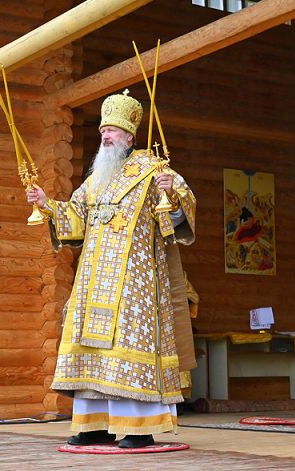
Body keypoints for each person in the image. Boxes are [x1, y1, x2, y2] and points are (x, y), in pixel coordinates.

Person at [26, 90, 196, 449]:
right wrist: (47, 205)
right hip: (93, 281)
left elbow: (175, 219)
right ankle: (93, 426)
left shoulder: (152, 171)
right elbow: (77, 217)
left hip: (134, 282)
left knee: (127, 349)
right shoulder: (97, 178)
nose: (106, 135)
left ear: (130, 137)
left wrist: (174, 195)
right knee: (89, 352)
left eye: (113, 131)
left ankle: (137, 428)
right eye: (103, 130)